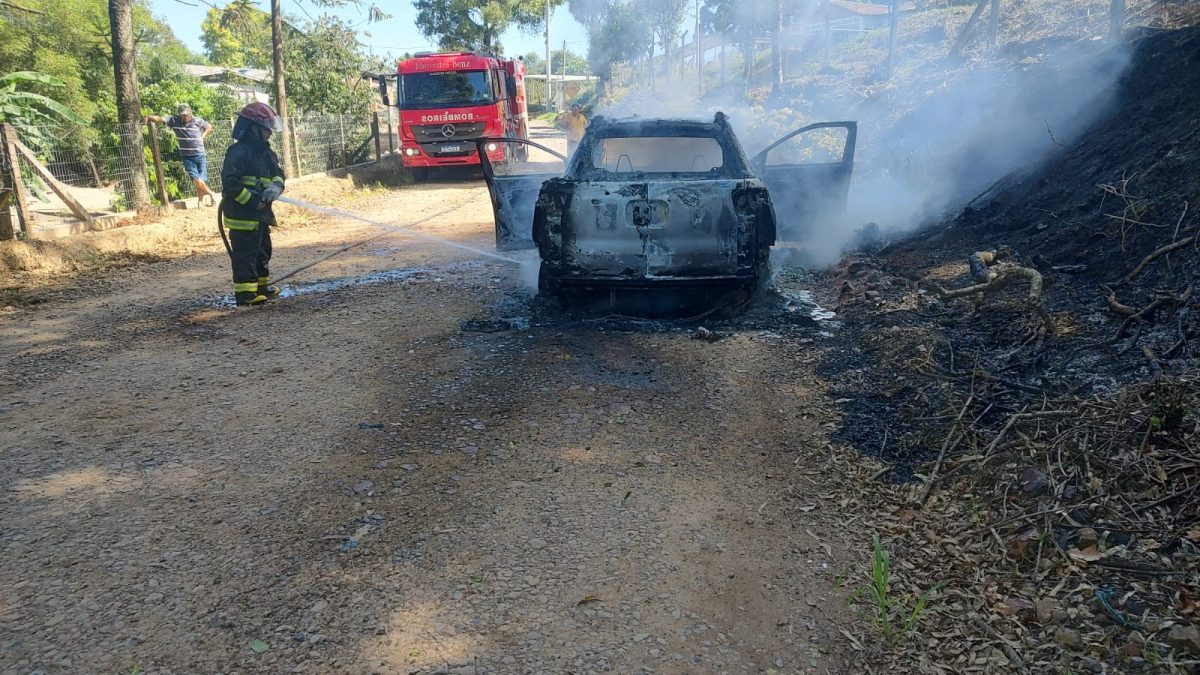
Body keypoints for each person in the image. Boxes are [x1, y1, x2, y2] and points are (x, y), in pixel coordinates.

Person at [221, 102, 286, 307]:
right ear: (254, 128)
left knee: (263, 251)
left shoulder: (267, 153)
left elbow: (279, 174)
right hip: (242, 216)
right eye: (266, 128)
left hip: (261, 216)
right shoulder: (238, 152)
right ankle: (245, 294)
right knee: (245, 255)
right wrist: (253, 202)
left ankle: (260, 287)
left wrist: (276, 187)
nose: (269, 133)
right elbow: (231, 183)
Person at [145, 104, 216, 206]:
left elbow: (209, 126)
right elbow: (160, 119)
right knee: (196, 179)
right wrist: (150, 117)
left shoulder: (198, 121)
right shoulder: (174, 120)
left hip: (200, 154)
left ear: (190, 113)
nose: (184, 116)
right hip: (187, 156)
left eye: (186, 114)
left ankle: (200, 202)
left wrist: (203, 136)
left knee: (201, 180)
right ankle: (211, 193)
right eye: (182, 115)